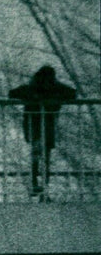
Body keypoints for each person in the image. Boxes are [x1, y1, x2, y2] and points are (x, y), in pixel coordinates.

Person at [8, 66, 77, 199]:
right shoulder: (54, 87)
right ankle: (42, 189)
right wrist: (55, 100)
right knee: (45, 157)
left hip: (33, 124)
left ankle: (36, 185)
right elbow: (72, 93)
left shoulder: (32, 87)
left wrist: (32, 99)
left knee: (37, 154)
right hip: (46, 125)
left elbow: (12, 93)